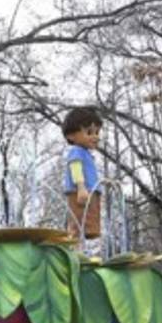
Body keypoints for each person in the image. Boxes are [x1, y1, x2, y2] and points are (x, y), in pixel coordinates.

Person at [62, 106, 103, 249]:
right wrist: (80, 187)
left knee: (89, 226)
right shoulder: (76, 152)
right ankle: (74, 250)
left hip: (90, 192)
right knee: (77, 224)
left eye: (97, 132)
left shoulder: (86, 153)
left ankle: (83, 249)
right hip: (80, 193)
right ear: (71, 136)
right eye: (89, 132)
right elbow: (76, 168)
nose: (95, 136)